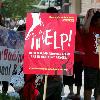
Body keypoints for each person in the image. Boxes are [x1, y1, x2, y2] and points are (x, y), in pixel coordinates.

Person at [83, 9, 100, 100]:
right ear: (95, 21)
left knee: (99, 89)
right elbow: (85, 29)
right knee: (88, 88)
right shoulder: (90, 29)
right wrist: (90, 16)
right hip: (90, 64)